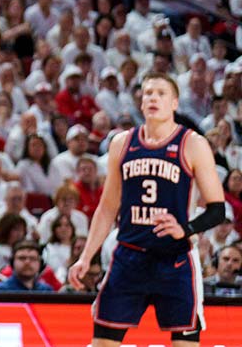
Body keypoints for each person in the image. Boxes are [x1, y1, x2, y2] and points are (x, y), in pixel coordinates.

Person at [69, 73, 225, 345]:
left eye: (161, 93)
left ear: (175, 102)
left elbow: (217, 209)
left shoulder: (193, 144)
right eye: (148, 93)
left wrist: (186, 229)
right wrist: (86, 257)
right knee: (102, 342)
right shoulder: (122, 143)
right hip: (130, 258)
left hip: (175, 260)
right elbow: (107, 208)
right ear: (141, 103)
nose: (153, 98)